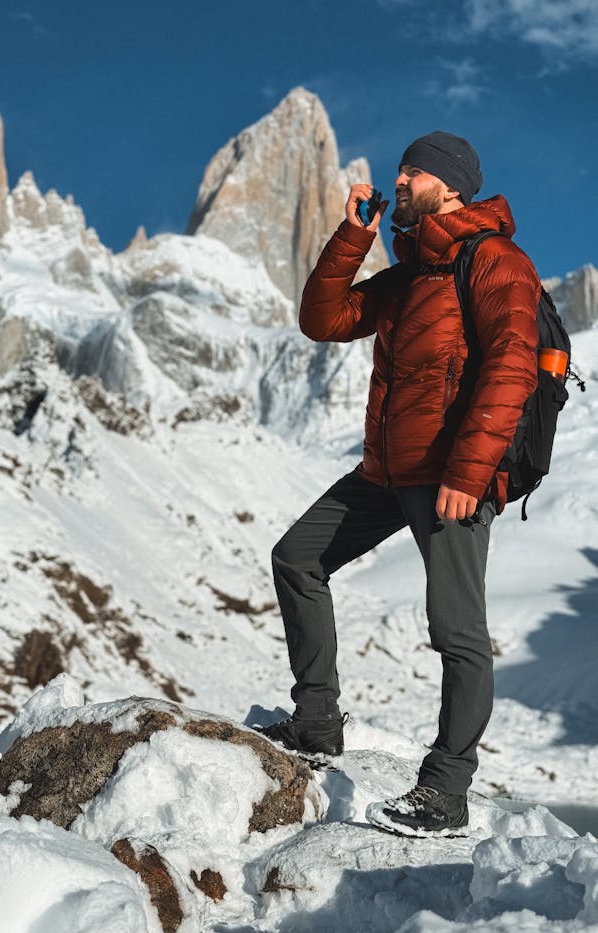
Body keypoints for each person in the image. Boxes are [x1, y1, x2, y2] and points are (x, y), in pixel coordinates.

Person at [257, 131, 540, 837]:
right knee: (297, 556)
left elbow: (513, 365)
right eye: (401, 170)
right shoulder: (409, 276)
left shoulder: (493, 260)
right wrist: (353, 238)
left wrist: (470, 471)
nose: (400, 178)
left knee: (456, 633)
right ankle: (317, 720)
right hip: (386, 472)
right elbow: (323, 319)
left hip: (451, 477)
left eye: (413, 171)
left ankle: (444, 792)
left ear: (449, 186)